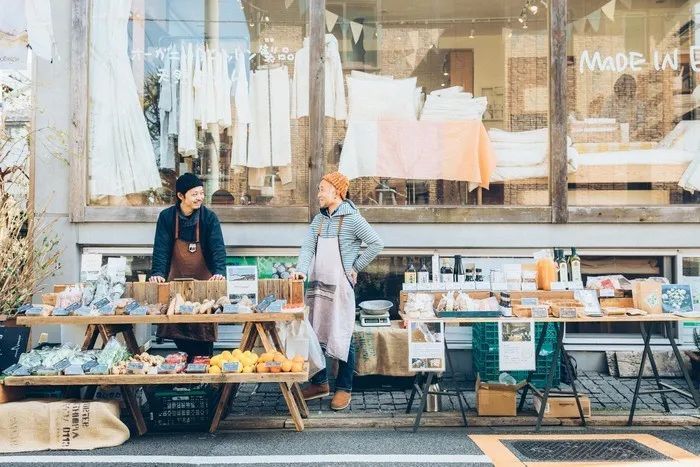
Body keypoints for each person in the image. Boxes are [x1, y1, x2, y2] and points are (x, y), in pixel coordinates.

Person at [294, 171, 384, 411]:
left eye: (322, 189)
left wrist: (355, 266)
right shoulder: (319, 220)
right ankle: (319, 383)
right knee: (313, 333)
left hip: (340, 285)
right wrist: (301, 271)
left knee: (342, 334)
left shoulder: (353, 218)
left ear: (337, 191)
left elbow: (376, 243)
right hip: (317, 284)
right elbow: (306, 248)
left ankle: (344, 388)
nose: (318, 194)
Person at [150, 173, 226, 359]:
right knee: (177, 325)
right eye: (194, 194)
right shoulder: (167, 217)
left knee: (203, 329)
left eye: (201, 193)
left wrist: (219, 272)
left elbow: (217, 248)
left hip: (204, 282)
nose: (200, 197)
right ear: (181, 196)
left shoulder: (209, 218)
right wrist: (158, 272)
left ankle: (202, 372)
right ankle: (186, 366)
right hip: (176, 284)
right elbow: (161, 248)